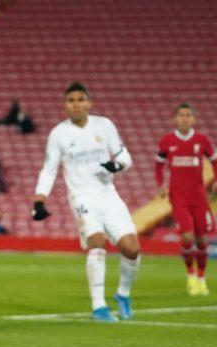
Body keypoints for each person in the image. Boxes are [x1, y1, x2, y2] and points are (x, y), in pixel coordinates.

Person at [32, 82, 140, 322]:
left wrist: (118, 165)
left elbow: (124, 155)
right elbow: (49, 170)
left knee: (132, 249)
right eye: (71, 101)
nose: (76, 104)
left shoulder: (105, 126)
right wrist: (39, 200)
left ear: (88, 102)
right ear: (66, 105)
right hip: (81, 196)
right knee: (97, 241)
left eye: (80, 99)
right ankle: (98, 306)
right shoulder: (58, 133)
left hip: (108, 193)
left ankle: (123, 294)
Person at [155, 103, 217, 296]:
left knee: (202, 240)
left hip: (199, 198)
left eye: (188, 115)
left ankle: (202, 277)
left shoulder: (202, 140)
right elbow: (158, 165)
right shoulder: (167, 141)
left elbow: (216, 161)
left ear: (193, 119)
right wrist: (161, 184)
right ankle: (191, 276)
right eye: (181, 115)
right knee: (187, 236)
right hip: (178, 197)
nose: (184, 119)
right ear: (175, 119)